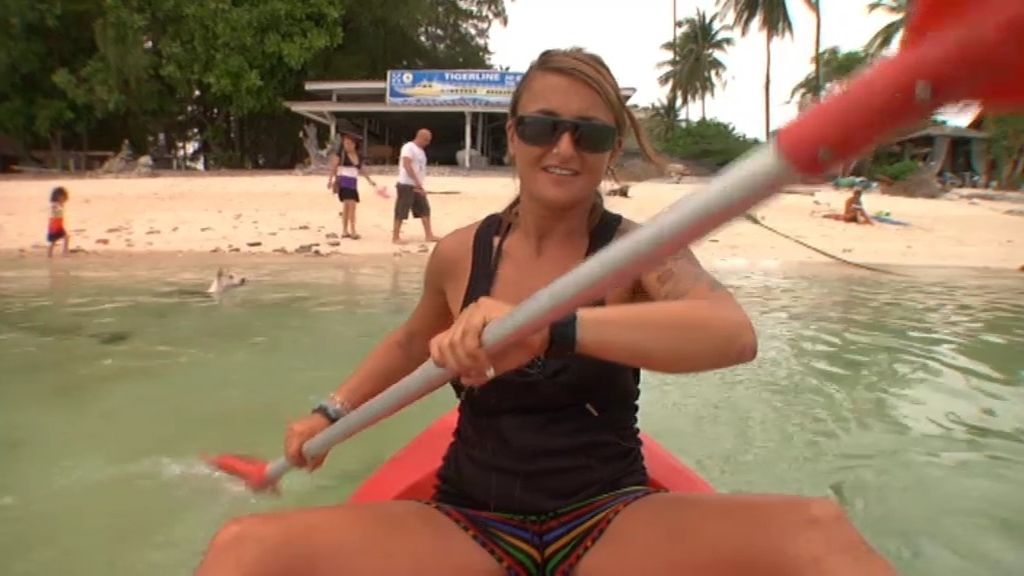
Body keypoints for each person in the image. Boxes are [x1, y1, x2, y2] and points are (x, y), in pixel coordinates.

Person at [196, 48, 897, 576]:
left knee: (820, 531)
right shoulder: (461, 252)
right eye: (543, 126)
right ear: (512, 134)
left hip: (610, 519)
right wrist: (330, 413)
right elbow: (414, 339)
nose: (563, 147)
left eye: (588, 135)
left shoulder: (638, 253)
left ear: (610, 152)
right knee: (242, 549)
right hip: (469, 521)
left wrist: (552, 328)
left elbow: (730, 334)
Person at [327, 133, 379, 240]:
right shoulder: (341, 154)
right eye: (345, 143)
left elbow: (361, 169)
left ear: (354, 144)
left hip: (353, 183)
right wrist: (330, 180)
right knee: (351, 206)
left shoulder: (358, 155)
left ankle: (345, 231)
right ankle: (352, 230)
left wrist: (369, 180)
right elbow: (333, 167)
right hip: (343, 182)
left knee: (347, 207)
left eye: (349, 143)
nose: (347, 146)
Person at [392, 128, 439, 244]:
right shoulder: (408, 147)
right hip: (406, 184)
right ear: (420, 137)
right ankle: (395, 237)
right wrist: (416, 181)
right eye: (426, 140)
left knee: (424, 209)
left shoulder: (421, 151)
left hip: (417, 185)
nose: (427, 143)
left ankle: (429, 235)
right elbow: (407, 165)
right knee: (401, 210)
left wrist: (419, 183)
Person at [46, 186, 70, 258]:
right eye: (62, 198)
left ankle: (65, 251)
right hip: (54, 225)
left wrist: (61, 205)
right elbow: (54, 212)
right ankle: (49, 255)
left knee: (66, 237)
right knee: (53, 241)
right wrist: (59, 206)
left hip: (59, 224)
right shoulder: (55, 205)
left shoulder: (59, 204)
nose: (63, 200)